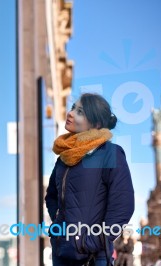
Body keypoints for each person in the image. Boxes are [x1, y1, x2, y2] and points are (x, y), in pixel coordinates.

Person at [45, 93, 135, 266]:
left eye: (80, 111)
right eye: (72, 108)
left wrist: (94, 241)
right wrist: (57, 230)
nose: (70, 114)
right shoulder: (64, 157)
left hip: (94, 257)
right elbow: (51, 196)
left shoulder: (110, 153)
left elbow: (123, 204)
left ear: (96, 124)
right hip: (61, 254)